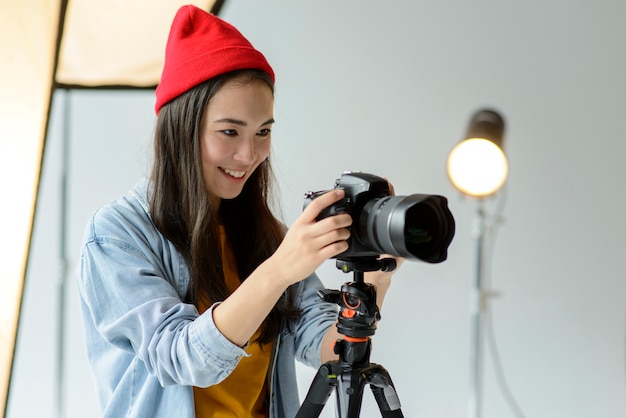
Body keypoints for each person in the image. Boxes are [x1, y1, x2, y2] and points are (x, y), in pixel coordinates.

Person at [77, 5, 403, 418]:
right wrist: (280, 269)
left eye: (263, 132)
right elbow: (183, 360)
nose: (249, 154)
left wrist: (378, 266)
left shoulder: (265, 235)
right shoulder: (117, 235)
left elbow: (326, 348)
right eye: (229, 131)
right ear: (182, 129)